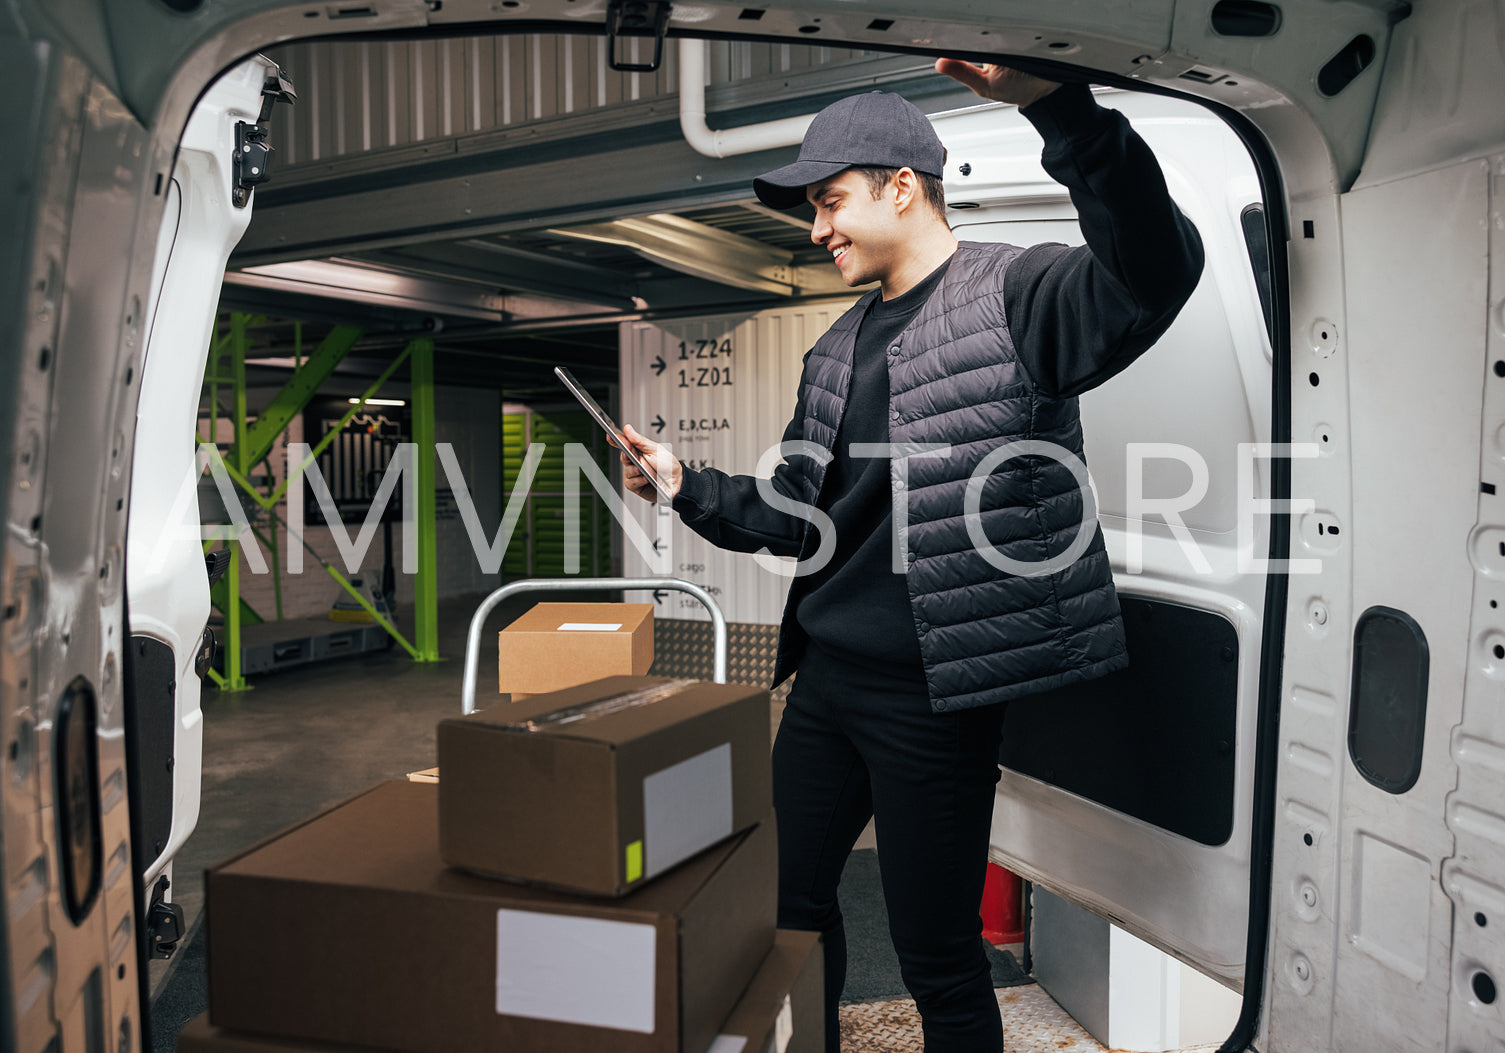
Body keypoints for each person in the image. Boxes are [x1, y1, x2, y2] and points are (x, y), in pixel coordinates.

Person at [619, 59, 1204, 1052]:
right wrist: (686, 487)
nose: (817, 230)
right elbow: (803, 513)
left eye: (829, 201)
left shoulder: (1020, 293)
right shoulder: (836, 347)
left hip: (933, 696)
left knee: (935, 951)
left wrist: (1055, 109)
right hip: (822, 684)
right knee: (786, 913)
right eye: (812, 211)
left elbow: (1154, 269)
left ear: (902, 185)